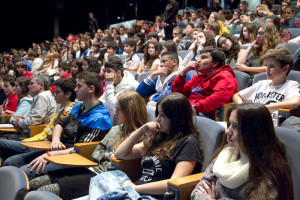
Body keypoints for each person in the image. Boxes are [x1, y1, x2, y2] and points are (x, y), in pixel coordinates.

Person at [29, 91, 147, 199]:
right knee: (35, 183)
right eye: (115, 109)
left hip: (105, 177)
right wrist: (108, 155)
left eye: (119, 110)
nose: (115, 113)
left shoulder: (141, 137)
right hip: (91, 168)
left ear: (130, 110)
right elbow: (96, 152)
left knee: (45, 190)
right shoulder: (116, 129)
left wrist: (108, 155)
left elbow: (120, 159)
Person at [91, 92, 202, 199]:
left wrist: (136, 188)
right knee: (108, 177)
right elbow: (120, 154)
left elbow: (174, 183)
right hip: (137, 190)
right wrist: (141, 130)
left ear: (176, 118)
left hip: (152, 196)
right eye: (157, 114)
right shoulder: (158, 138)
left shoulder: (189, 143)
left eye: (162, 115)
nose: (157, 119)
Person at [16, 71, 112, 180]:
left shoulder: (100, 118)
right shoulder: (78, 106)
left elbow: (80, 151)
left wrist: (49, 155)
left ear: (91, 89)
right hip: (58, 151)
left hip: (73, 159)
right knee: (13, 161)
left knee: (23, 174)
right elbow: (59, 123)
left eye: (79, 86)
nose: (75, 90)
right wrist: (55, 140)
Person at [191, 103, 293, 200]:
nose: (227, 131)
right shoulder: (225, 155)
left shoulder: (270, 172)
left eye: (235, 127)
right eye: (229, 124)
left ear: (254, 132)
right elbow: (197, 193)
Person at [0, 77, 76, 166]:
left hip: (42, 143)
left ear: (68, 94)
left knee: (3, 146)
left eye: (57, 92)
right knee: (7, 154)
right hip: (40, 139)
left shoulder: (67, 110)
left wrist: (20, 122)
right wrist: (24, 118)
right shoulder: (63, 108)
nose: (54, 94)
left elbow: (36, 121)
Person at [232, 48, 300, 126]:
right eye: (266, 66)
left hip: (270, 127)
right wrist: (243, 108)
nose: (267, 70)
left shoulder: (290, 85)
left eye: (272, 66)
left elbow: (295, 103)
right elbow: (237, 95)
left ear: (285, 68)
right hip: (251, 123)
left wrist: (262, 109)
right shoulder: (261, 84)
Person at [172, 47, 238, 118]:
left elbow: (219, 97)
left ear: (215, 63)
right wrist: (182, 72)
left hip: (205, 114)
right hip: (190, 110)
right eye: (198, 58)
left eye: (203, 58)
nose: (198, 61)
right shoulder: (197, 77)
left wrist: (195, 107)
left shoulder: (225, 76)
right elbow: (178, 95)